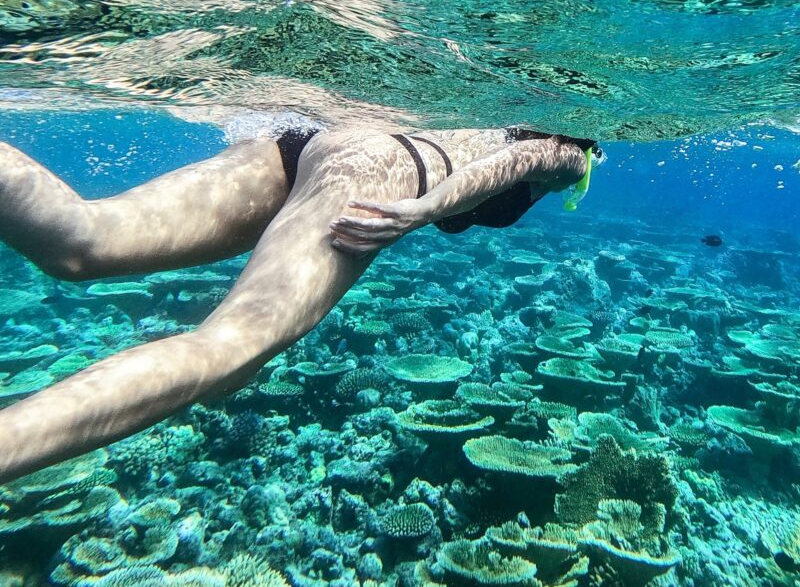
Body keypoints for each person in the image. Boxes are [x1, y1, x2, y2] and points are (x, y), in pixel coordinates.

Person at [0, 125, 604, 483]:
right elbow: (522, 158)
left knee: (80, 241)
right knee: (230, 351)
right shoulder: (571, 147)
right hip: (381, 169)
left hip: (305, 144)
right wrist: (429, 206)